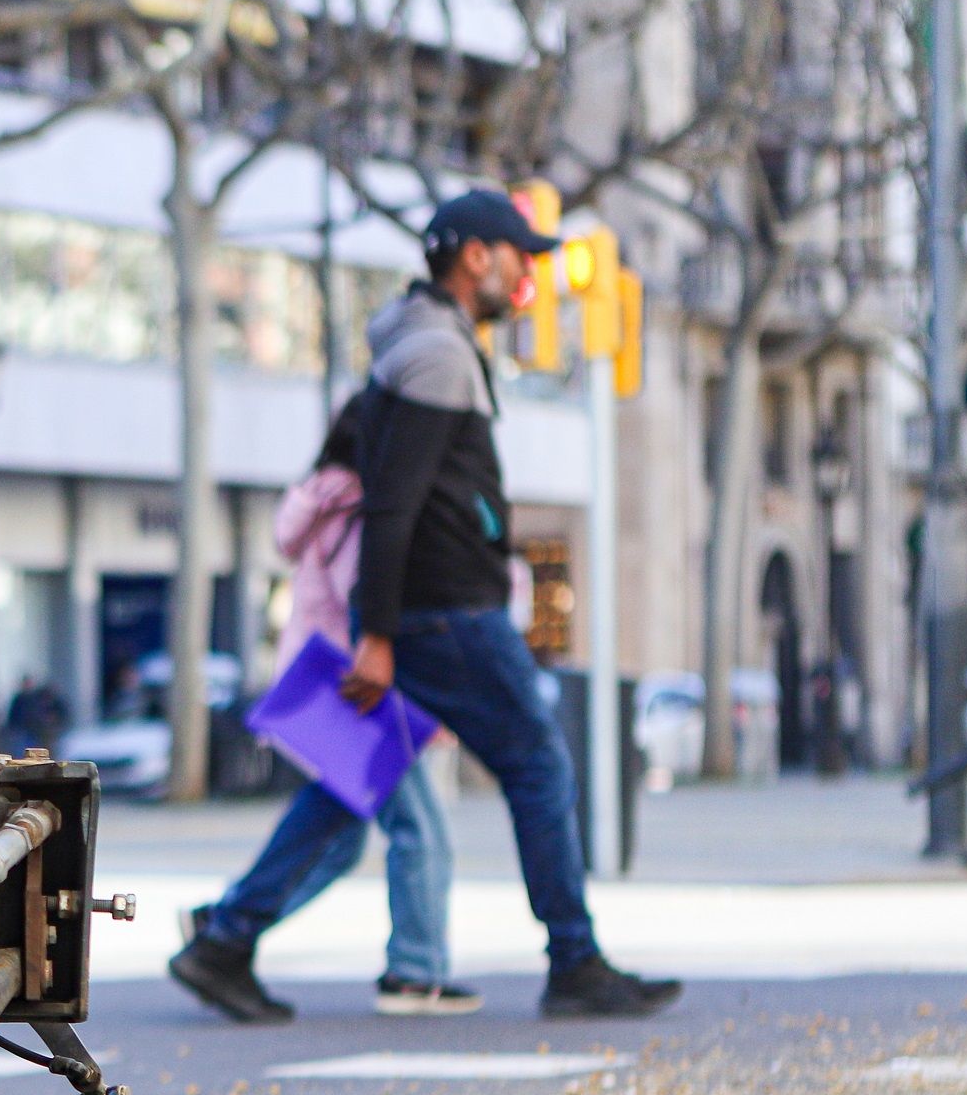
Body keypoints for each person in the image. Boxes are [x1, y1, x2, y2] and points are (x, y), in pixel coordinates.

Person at [169, 188, 681, 1023]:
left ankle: (224, 940)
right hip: (448, 614)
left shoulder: (421, 343)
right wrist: (377, 633)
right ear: (476, 254)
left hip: (428, 611)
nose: (527, 277)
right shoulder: (436, 353)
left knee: (348, 784)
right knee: (539, 766)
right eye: (519, 256)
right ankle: (576, 960)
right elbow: (394, 503)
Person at [241, 397, 477, 1013]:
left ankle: (224, 925)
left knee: (340, 836)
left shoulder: (322, 496)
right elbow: (366, 605)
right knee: (419, 829)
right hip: (356, 687)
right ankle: (413, 970)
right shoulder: (356, 504)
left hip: (325, 680)